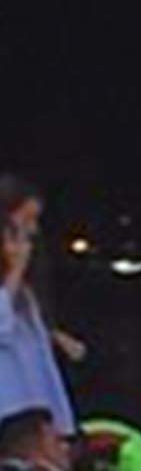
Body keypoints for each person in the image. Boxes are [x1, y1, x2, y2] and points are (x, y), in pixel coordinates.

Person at [0, 177, 77, 451]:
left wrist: (61, 426)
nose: (32, 231)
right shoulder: (11, 286)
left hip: (34, 420)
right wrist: (14, 271)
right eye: (26, 220)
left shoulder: (27, 295)